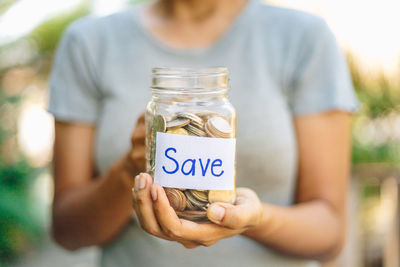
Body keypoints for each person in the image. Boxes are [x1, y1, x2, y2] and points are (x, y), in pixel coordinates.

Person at [48, 0, 359, 266]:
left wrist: (253, 218)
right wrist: (131, 168)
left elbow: (330, 232)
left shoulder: (304, 38)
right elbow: (66, 230)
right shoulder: (87, 42)